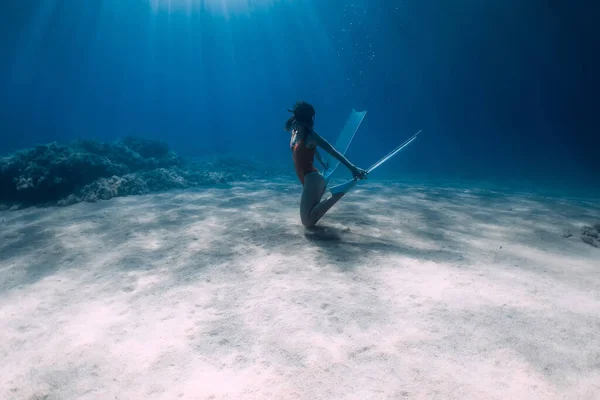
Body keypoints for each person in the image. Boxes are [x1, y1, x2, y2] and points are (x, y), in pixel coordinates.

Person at [285, 100, 368, 228]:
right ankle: (333, 192)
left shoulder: (311, 136)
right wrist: (320, 160)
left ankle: (338, 193)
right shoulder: (294, 131)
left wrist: (353, 168)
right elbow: (305, 146)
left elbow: (333, 151)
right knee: (311, 216)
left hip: (312, 179)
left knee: (307, 222)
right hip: (308, 179)